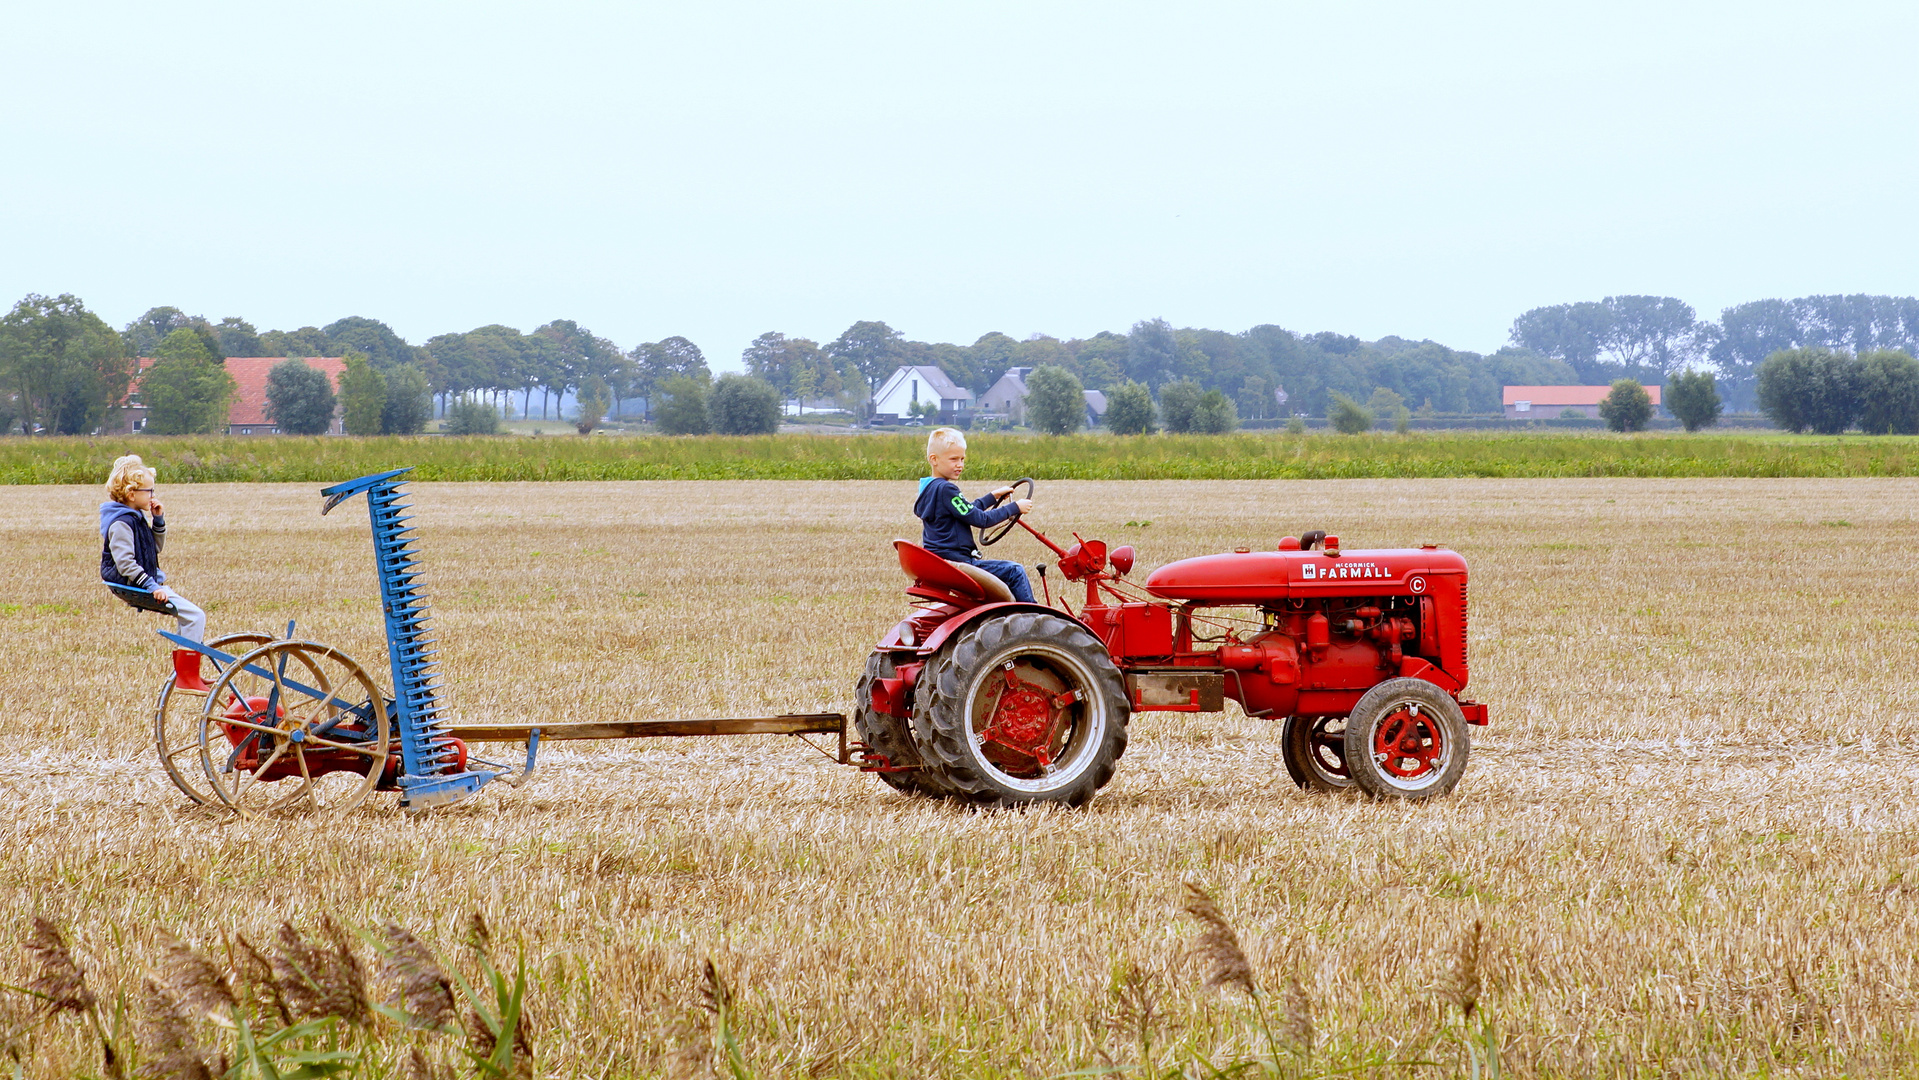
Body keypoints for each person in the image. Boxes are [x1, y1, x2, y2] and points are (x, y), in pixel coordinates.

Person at [99, 454, 210, 692]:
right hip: (139, 584)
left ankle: (186, 675)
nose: (152, 495)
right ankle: (187, 678)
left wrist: (158, 519)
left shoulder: (136, 518)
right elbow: (126, 564)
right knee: (196, 616)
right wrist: (153, 587)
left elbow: (154, 548)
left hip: (146, 582)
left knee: (189, 617)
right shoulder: (121, 523)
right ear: (132, 494)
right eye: (149, 491)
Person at [914, 427, 1037, 602]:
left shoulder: (930, 488)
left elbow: (966, 511)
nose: (960, 465)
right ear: (934, 459)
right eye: (954, 459)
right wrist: (1014, 507)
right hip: (959, 563)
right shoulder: (946, 489)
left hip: (944, 561)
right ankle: (1033, 619)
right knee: (1015, 571)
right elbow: (981, 519)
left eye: (962, 459)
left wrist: (992, 497)